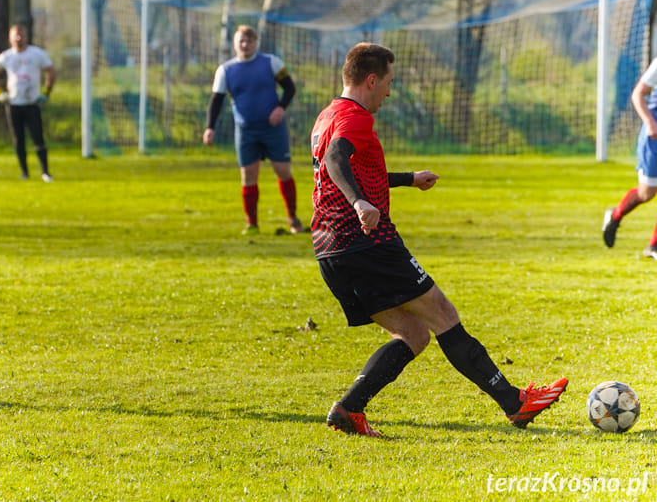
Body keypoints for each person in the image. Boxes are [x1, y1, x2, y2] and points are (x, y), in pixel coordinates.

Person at [311, 42, 567, 436]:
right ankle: (515, 402)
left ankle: (349, 410)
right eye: (389, 83)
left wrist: (407, 179)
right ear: (371, 79)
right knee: (444, 315)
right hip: (368, 243)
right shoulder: (355, 118)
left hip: (331, 249)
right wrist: (361, 203)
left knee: (413, 334)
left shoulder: (328, 114)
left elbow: (345, 165)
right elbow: (335, 160)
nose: (390, 93)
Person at [204, 25, 303, 235]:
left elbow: (290, 88)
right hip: (246, 131)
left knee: (283, 171)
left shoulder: (271, 63)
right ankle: (252, 224)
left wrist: (280, 108)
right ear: (234, 43)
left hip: (273, 129)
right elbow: (216, 101)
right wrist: (210, 127)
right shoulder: (225, 70)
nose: (245, 45)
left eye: (249, 41)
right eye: (241, 41)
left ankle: (293, 219)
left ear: (255, 43)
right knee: (248, 177)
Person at [602, 57, 657, 259]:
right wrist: (650, 123)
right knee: (646, 193)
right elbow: (638, 94)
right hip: (654, 136)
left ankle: (654, 246)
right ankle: (615, 215)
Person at [0, 24, 56, 182]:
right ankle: (25, 173)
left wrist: (46, 92)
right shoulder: (7, 56)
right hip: (14, 103)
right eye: (15, 35)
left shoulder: (36, 54)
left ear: (26, 36)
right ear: (10, 38)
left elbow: (51, 71)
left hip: (32, 103)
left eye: (21, 35)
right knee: (18, 140)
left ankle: (45, 172)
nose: (19, 38)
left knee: (38, 137)